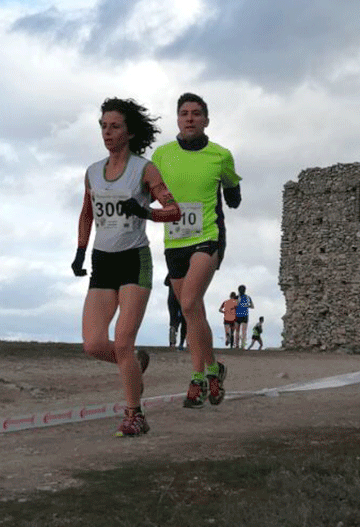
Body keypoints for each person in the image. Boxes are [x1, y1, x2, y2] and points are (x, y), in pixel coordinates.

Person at [72, 97, 182, 437]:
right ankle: (134, 363)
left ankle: (135, 414)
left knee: (121, 341)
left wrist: (145, 212)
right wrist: (79, 251)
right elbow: (87, 213)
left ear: (129, 132)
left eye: (114, 126)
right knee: (93, 344)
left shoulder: (144, 169)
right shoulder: (92, 171)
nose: (107, 132)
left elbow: (174, 210)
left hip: (135, 260)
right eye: (103, 126)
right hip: (102, 261)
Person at [152, 92, 242, 409]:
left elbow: (232, 188)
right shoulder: (162, 155)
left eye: (196, 113)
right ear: (177, 119)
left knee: (189, 301)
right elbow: (149, 190)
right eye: (184, 113)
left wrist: (233, 194)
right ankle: (215, 369)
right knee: (193, 311)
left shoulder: (220, 155)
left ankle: (198, 378)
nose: (190, 118)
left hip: (208, 235)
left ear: (206, 120)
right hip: (175, 240)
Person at [165, 274, 187, 350]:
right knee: (184, 321)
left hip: (171, 298)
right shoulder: (188, 273)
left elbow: (166, 283)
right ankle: (181, 343)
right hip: (183, 298)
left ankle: (172, 343)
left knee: (173, 319)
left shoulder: (172, 271)